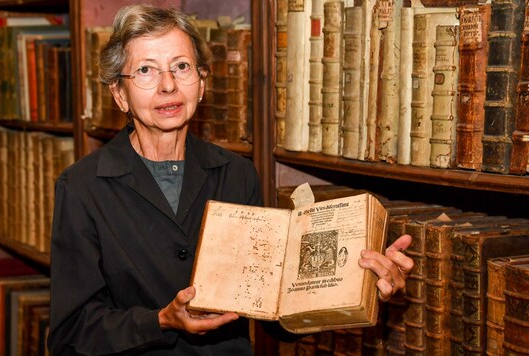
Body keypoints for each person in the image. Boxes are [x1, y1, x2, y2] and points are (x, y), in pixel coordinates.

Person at [47, 4, 414, 355]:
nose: (168, 85)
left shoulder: (237, 174)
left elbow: (273, 314)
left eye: (181, 66)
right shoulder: (82, 187)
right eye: (145, 70)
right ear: (119, 94)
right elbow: (70, 334)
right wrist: (160, 321)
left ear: (202, 84)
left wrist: (361, 284)